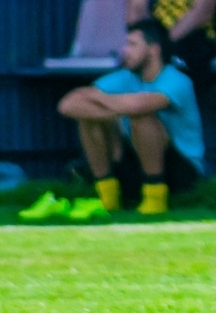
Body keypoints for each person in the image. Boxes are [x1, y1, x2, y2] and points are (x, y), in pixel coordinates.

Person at [57, 18, 205, 216]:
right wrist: (113, 111)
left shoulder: (177, 80)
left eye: (132, 45)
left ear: (153, 49)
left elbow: (140, 106)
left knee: (142, 117)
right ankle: (107, 197)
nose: (125, 51)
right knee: (89, 119)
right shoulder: (125, 77)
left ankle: (155, 199)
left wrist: (99, 97)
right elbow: (67, 105)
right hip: (134, 163)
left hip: (180, 172)